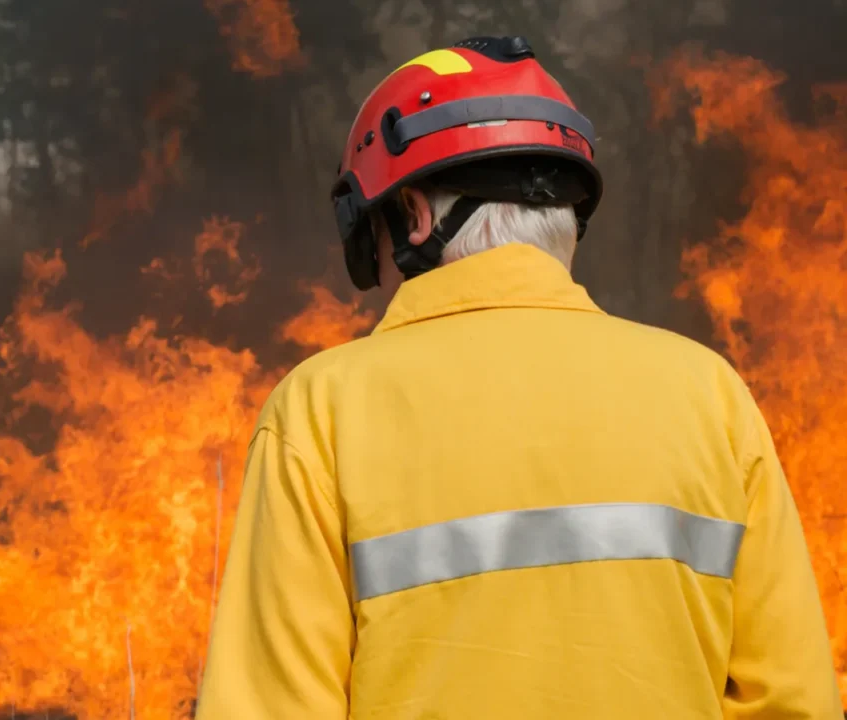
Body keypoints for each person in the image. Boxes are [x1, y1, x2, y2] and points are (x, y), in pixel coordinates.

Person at [195, 36, 840, 719]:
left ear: (412, 215)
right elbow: (793, 704)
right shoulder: (711, 397)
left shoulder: (320, 413)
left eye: (373, 237)